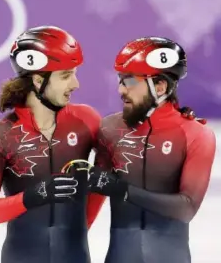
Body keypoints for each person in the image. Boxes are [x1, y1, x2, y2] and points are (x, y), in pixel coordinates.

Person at [0, 25, 106, 263]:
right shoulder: (1, 134)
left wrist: (181, 120)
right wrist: (33, 196)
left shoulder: (86, 121)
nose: (75, 84)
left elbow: (128, 145)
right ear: (37, 80)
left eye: (74, 73)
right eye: (65, 75)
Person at [88, 36, 217, 263]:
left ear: (160, 86)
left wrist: (121, 190)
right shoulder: (110, 129)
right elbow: (95, 195)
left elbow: (186, 209)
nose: (120, 89)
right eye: (120, 79)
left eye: (129, 81)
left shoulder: (196, 135)